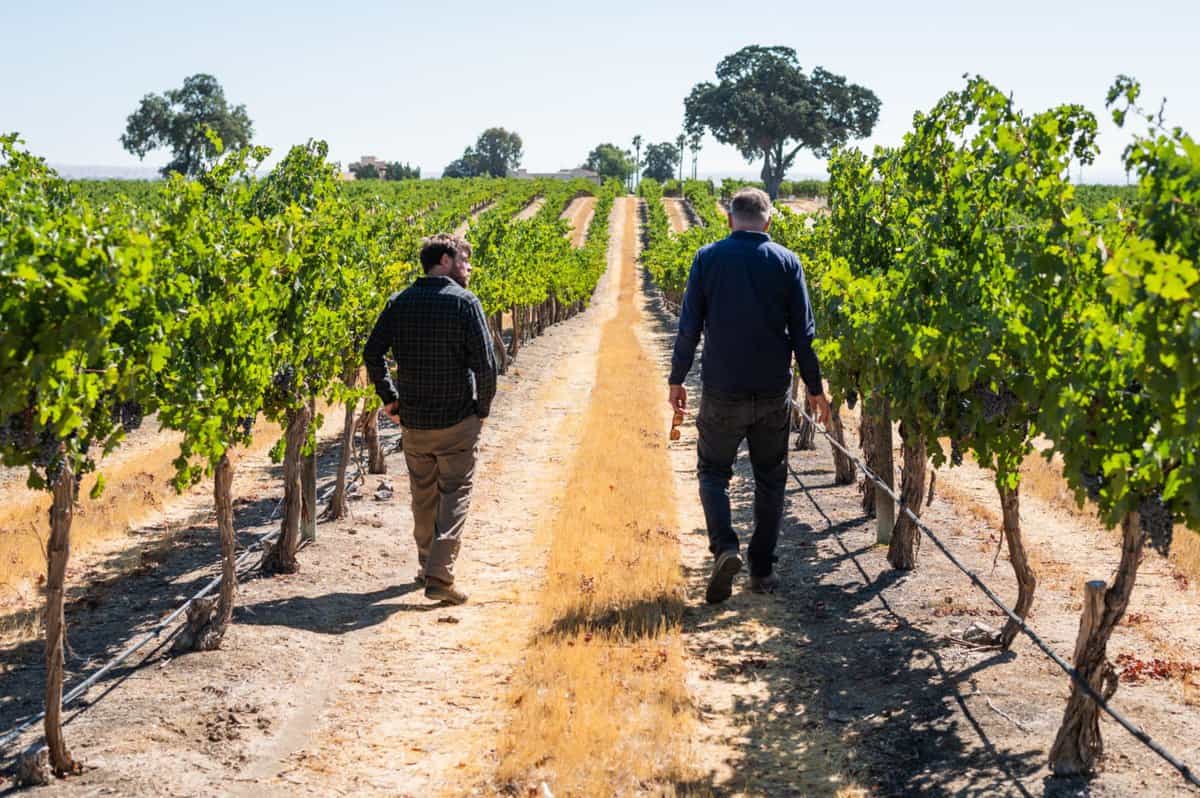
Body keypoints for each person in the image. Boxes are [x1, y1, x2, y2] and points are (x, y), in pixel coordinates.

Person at [667, 187, 831, 604]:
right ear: (769, 221)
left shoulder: (707, 259)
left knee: (713, 473)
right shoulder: (787, 262)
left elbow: (689, 327)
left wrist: (677, 379)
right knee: (770, 480)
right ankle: (761, 570)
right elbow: (803, 335)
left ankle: (725, 548)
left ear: (729, 219)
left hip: (722, 389)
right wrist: (814, 388)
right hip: (772, 392)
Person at [364, 233, 497, 605]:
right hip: (456, 420)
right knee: (454, 494)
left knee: (423, 498)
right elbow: (487, 366)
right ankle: (440, 574)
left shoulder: (399, 302)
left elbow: (372, 353)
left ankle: (426, 566)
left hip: (415, 423)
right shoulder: (465, 303)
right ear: (443, 260)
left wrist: (390, 399)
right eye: (463, 260)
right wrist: (481, 410)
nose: (467, 267)